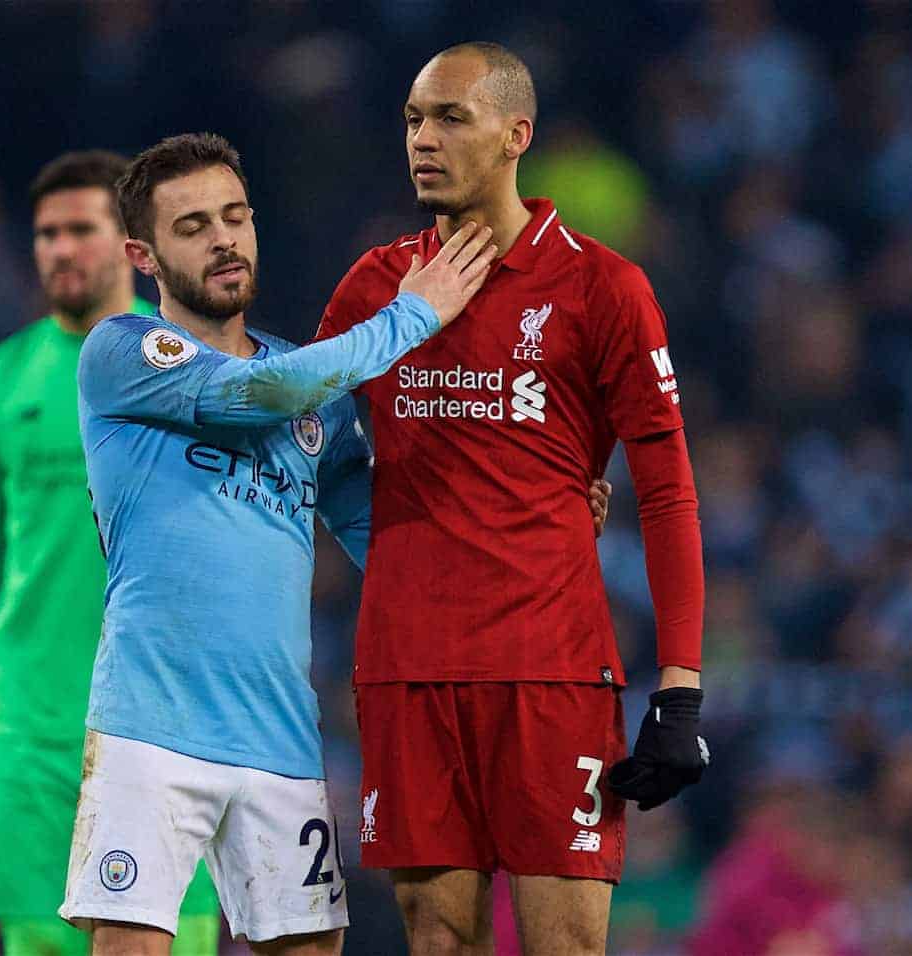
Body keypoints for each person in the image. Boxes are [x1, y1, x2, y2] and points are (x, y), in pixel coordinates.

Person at [57, 132, 499, 956]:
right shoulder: (120, 353)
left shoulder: (312, 385)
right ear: (142, 255)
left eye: (235, 216)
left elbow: (384, 529)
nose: (224, 238)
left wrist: (522, 521)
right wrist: (414, 315)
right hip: (152, 723)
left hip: (280, 731)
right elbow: (258, 394)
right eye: (192, 227)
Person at [315, 42, 709, 954]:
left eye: (451, 117)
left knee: (564, 945)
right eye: (414, 118)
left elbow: (669, 493)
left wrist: (680, 689)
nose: (423, 138)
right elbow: (306, 445)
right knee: (439, 939)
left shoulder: (602, 288)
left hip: (551, 668)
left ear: (515, 135)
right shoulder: (377, 289)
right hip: (407, 669)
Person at [0, 151, 220, 956]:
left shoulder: (196, 369)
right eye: (47, 234)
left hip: (164, 734)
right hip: (30, 739)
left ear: (132, 245)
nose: (60, 250)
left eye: (82, 229)